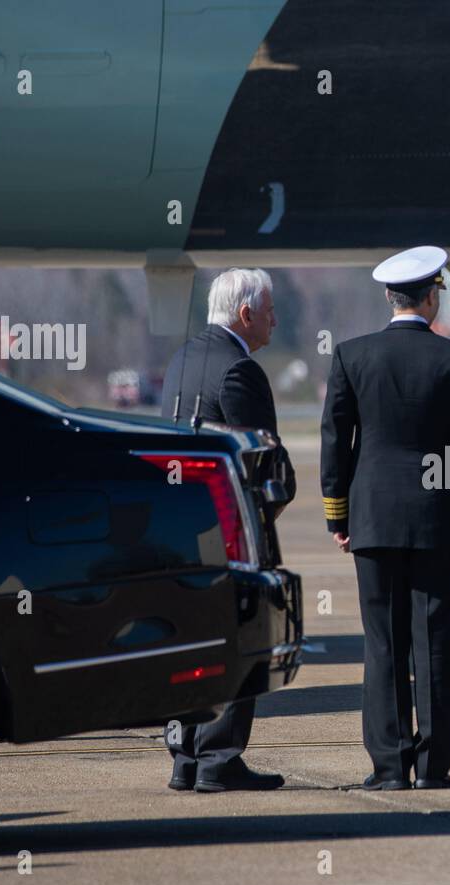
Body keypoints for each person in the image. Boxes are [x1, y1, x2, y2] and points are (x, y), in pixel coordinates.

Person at [321, 246, 450, 790]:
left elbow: (335, 443)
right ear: (432, 295)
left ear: (388, 297)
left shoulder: (351, 355)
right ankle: (434, 765)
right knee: (434, 640)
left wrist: (337, 515)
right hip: (436, 518)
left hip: (372, 516)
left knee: (383, 644)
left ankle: (390, 767)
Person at [160, 267, 291, 793]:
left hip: (177, 526)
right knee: (238, 638)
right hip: (228, 531)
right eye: (270, 310)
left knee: (188, 640)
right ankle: (219, 758)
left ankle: (185, 757)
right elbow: (264, 463)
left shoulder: (183, 358)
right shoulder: (240, 369)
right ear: (246, 314)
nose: (275, 320)